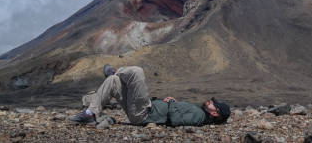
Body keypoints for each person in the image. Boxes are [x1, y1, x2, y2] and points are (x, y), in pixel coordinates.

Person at [69, 65, 230, 127]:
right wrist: (173, 102)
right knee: (113, 82)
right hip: (143, 109)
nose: (210, 101)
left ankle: (115, 71)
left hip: (145, 113)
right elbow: (178, 114)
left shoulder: (199, 117)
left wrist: (172, 104)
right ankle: (90, 114)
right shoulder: (199, 112)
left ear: (215, 113)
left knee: (137, 72)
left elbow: (177, 121)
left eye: (213, 104)